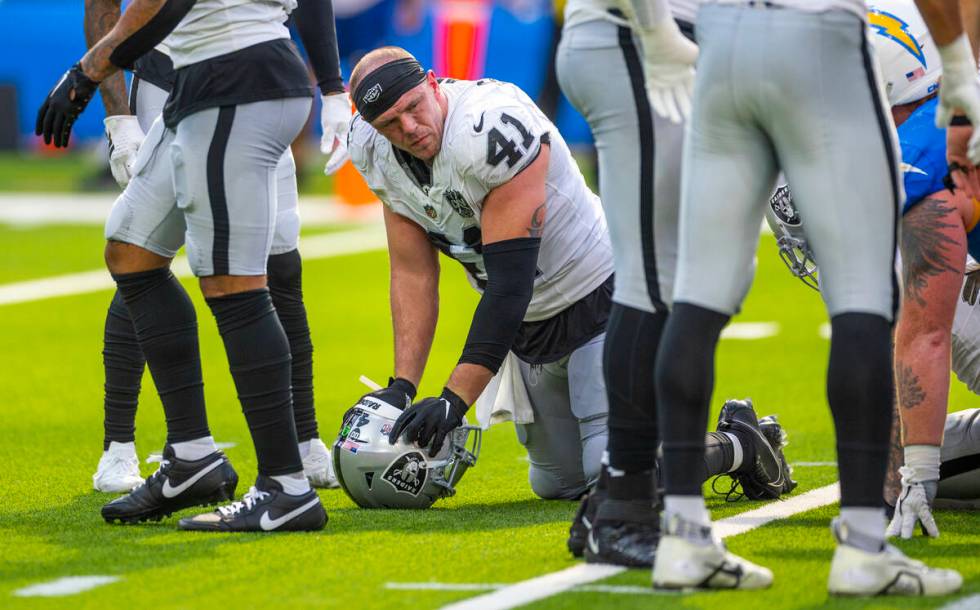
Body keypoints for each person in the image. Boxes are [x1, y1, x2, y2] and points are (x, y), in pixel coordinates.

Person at [342, 46, 791, 511]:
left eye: (413, 108)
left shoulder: (491, 129)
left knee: (610, 469)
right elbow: (413, 272)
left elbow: (510, 284)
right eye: (390, 124)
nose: (408, 129)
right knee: (556, 483)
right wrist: (402, 385)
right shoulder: (374, 149)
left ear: (433, 83)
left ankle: (740, 443)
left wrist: (454, 399)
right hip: (529, 327)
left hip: (602, 293)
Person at [646, 0, 960, 595]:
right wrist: (960, 66)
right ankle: (864, 546)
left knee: (697, 295)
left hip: (721, 45)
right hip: (821, 34)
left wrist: (654, 29)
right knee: (864, 293)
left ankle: (681, 534)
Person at [36, 0, 346, 532]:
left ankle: (285, 486)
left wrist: (88, 71)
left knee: (235, 282)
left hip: (235, 78)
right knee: (131, 246)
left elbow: (167, 3)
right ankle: (192, 458)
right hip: (205, 81)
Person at [554, 0, 792, 568]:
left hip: (663, 39)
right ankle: (626, 509)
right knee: (652, 283)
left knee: (685, 277)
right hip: (636, 35)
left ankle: (618, 496)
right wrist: (657, 27)